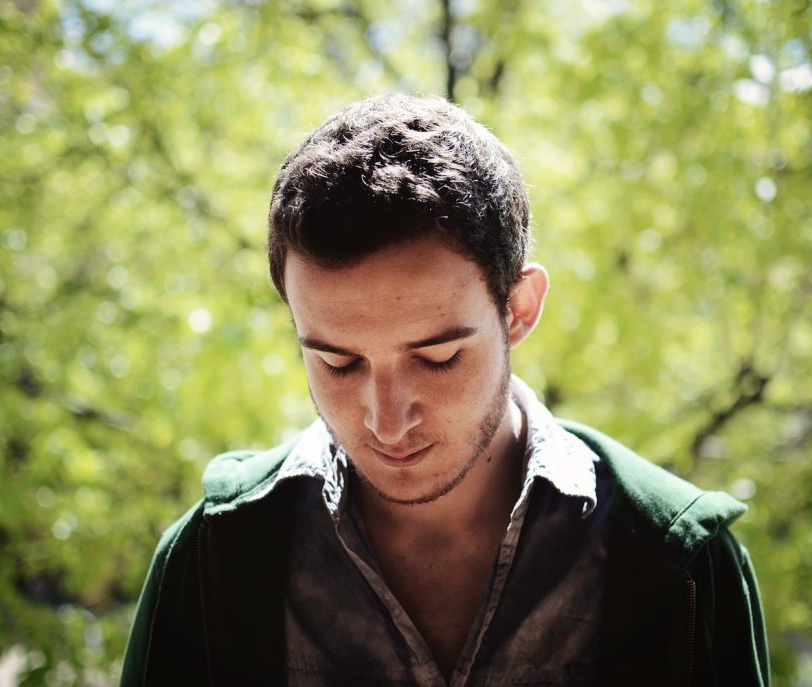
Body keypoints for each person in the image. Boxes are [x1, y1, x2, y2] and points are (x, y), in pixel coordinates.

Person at [120, 94, 769, 686]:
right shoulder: (211, 560)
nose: (387, 420)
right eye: (338, 363)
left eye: (437, 358)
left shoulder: (680, 565)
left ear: (519, 308)